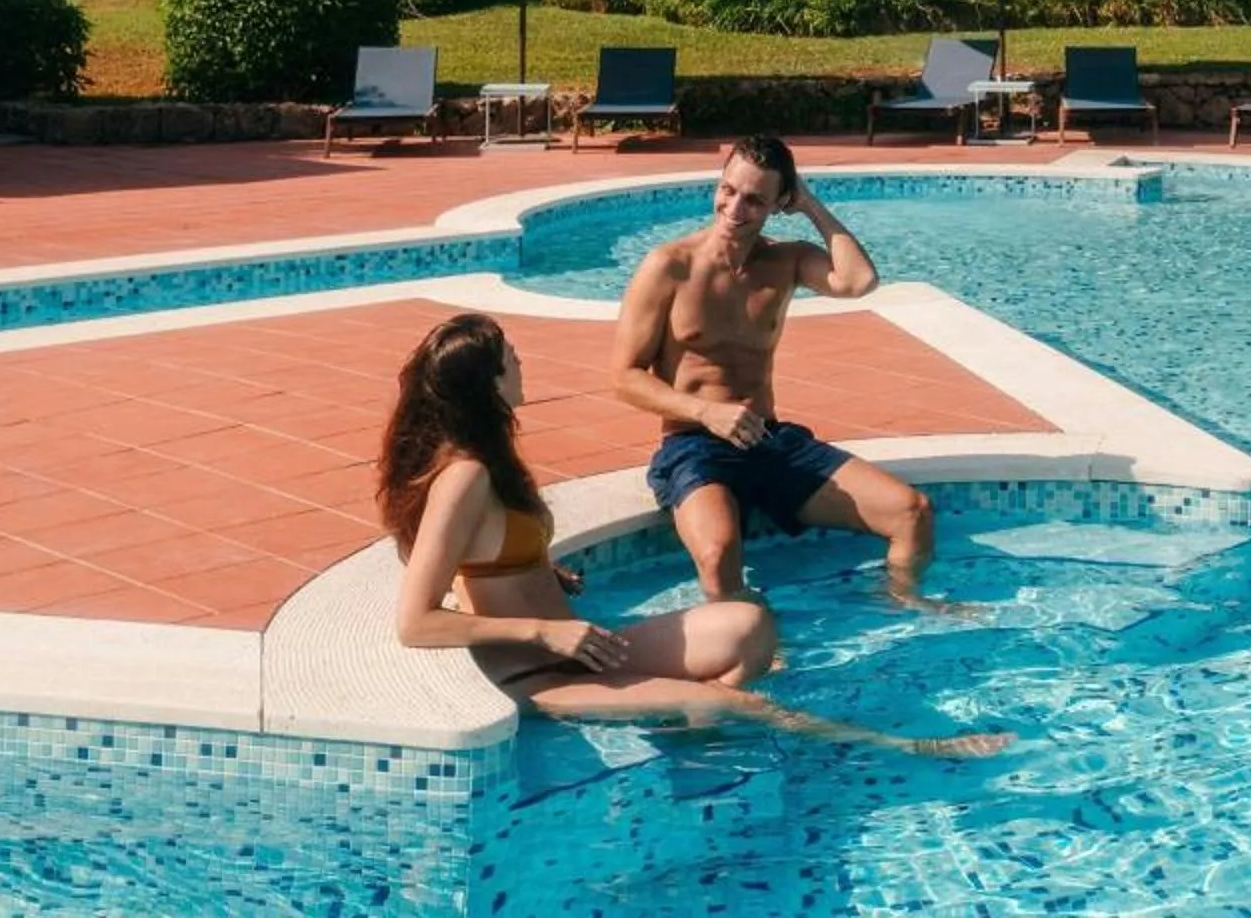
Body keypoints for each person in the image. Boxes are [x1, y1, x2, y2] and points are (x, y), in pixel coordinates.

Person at [379, 310, 1004, 756]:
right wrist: (543, 626)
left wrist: (535, 572)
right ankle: (910, 748)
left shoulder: (490, 459)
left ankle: (684, 729)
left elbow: (483, 556)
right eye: (508, 356)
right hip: (541, 676)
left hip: (582, 648)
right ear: (488, 385)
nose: (521, 360)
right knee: (737, 703)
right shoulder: (462, 477)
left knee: (749, 626)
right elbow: (415, 621)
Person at [612, 135, 942, 607]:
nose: (734, 208)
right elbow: (624, 376)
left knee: (913, 512)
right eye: (728, 190)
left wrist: (808, 204)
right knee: (719, 552)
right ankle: (753, 648)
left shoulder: (784, 261)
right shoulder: (670, 266)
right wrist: (707, 412)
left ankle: (906, 608)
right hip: (694, 446)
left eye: (753, 199)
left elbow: (859, 281)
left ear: (777, 203)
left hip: (769, 441)